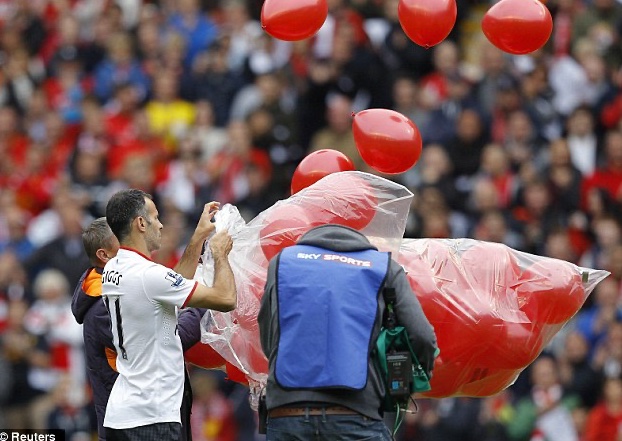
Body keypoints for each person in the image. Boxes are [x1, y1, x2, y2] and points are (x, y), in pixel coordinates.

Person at [257, 224, 438, 440]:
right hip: (355, 413)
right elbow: (422, 336)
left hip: (286, 413)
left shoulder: (281, 262)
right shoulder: (384, 267)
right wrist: (413, 380)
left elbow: (268, 335)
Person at [101, 189, 236, 441]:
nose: (161, 225)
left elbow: (167, 287)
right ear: (141, 223)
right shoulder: (149, 275)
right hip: (153, 414)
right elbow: (226, 299)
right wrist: (220, 254)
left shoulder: (114, 267)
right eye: (156, 217)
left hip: (123, 411)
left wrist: (197, 238)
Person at [71, 217, 208, 440]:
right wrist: (204, 302)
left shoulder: (123, 287)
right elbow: (170, 340)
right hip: (137, 424)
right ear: (104, 256)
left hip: (150, 415)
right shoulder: (103, 306)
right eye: (124, 241)